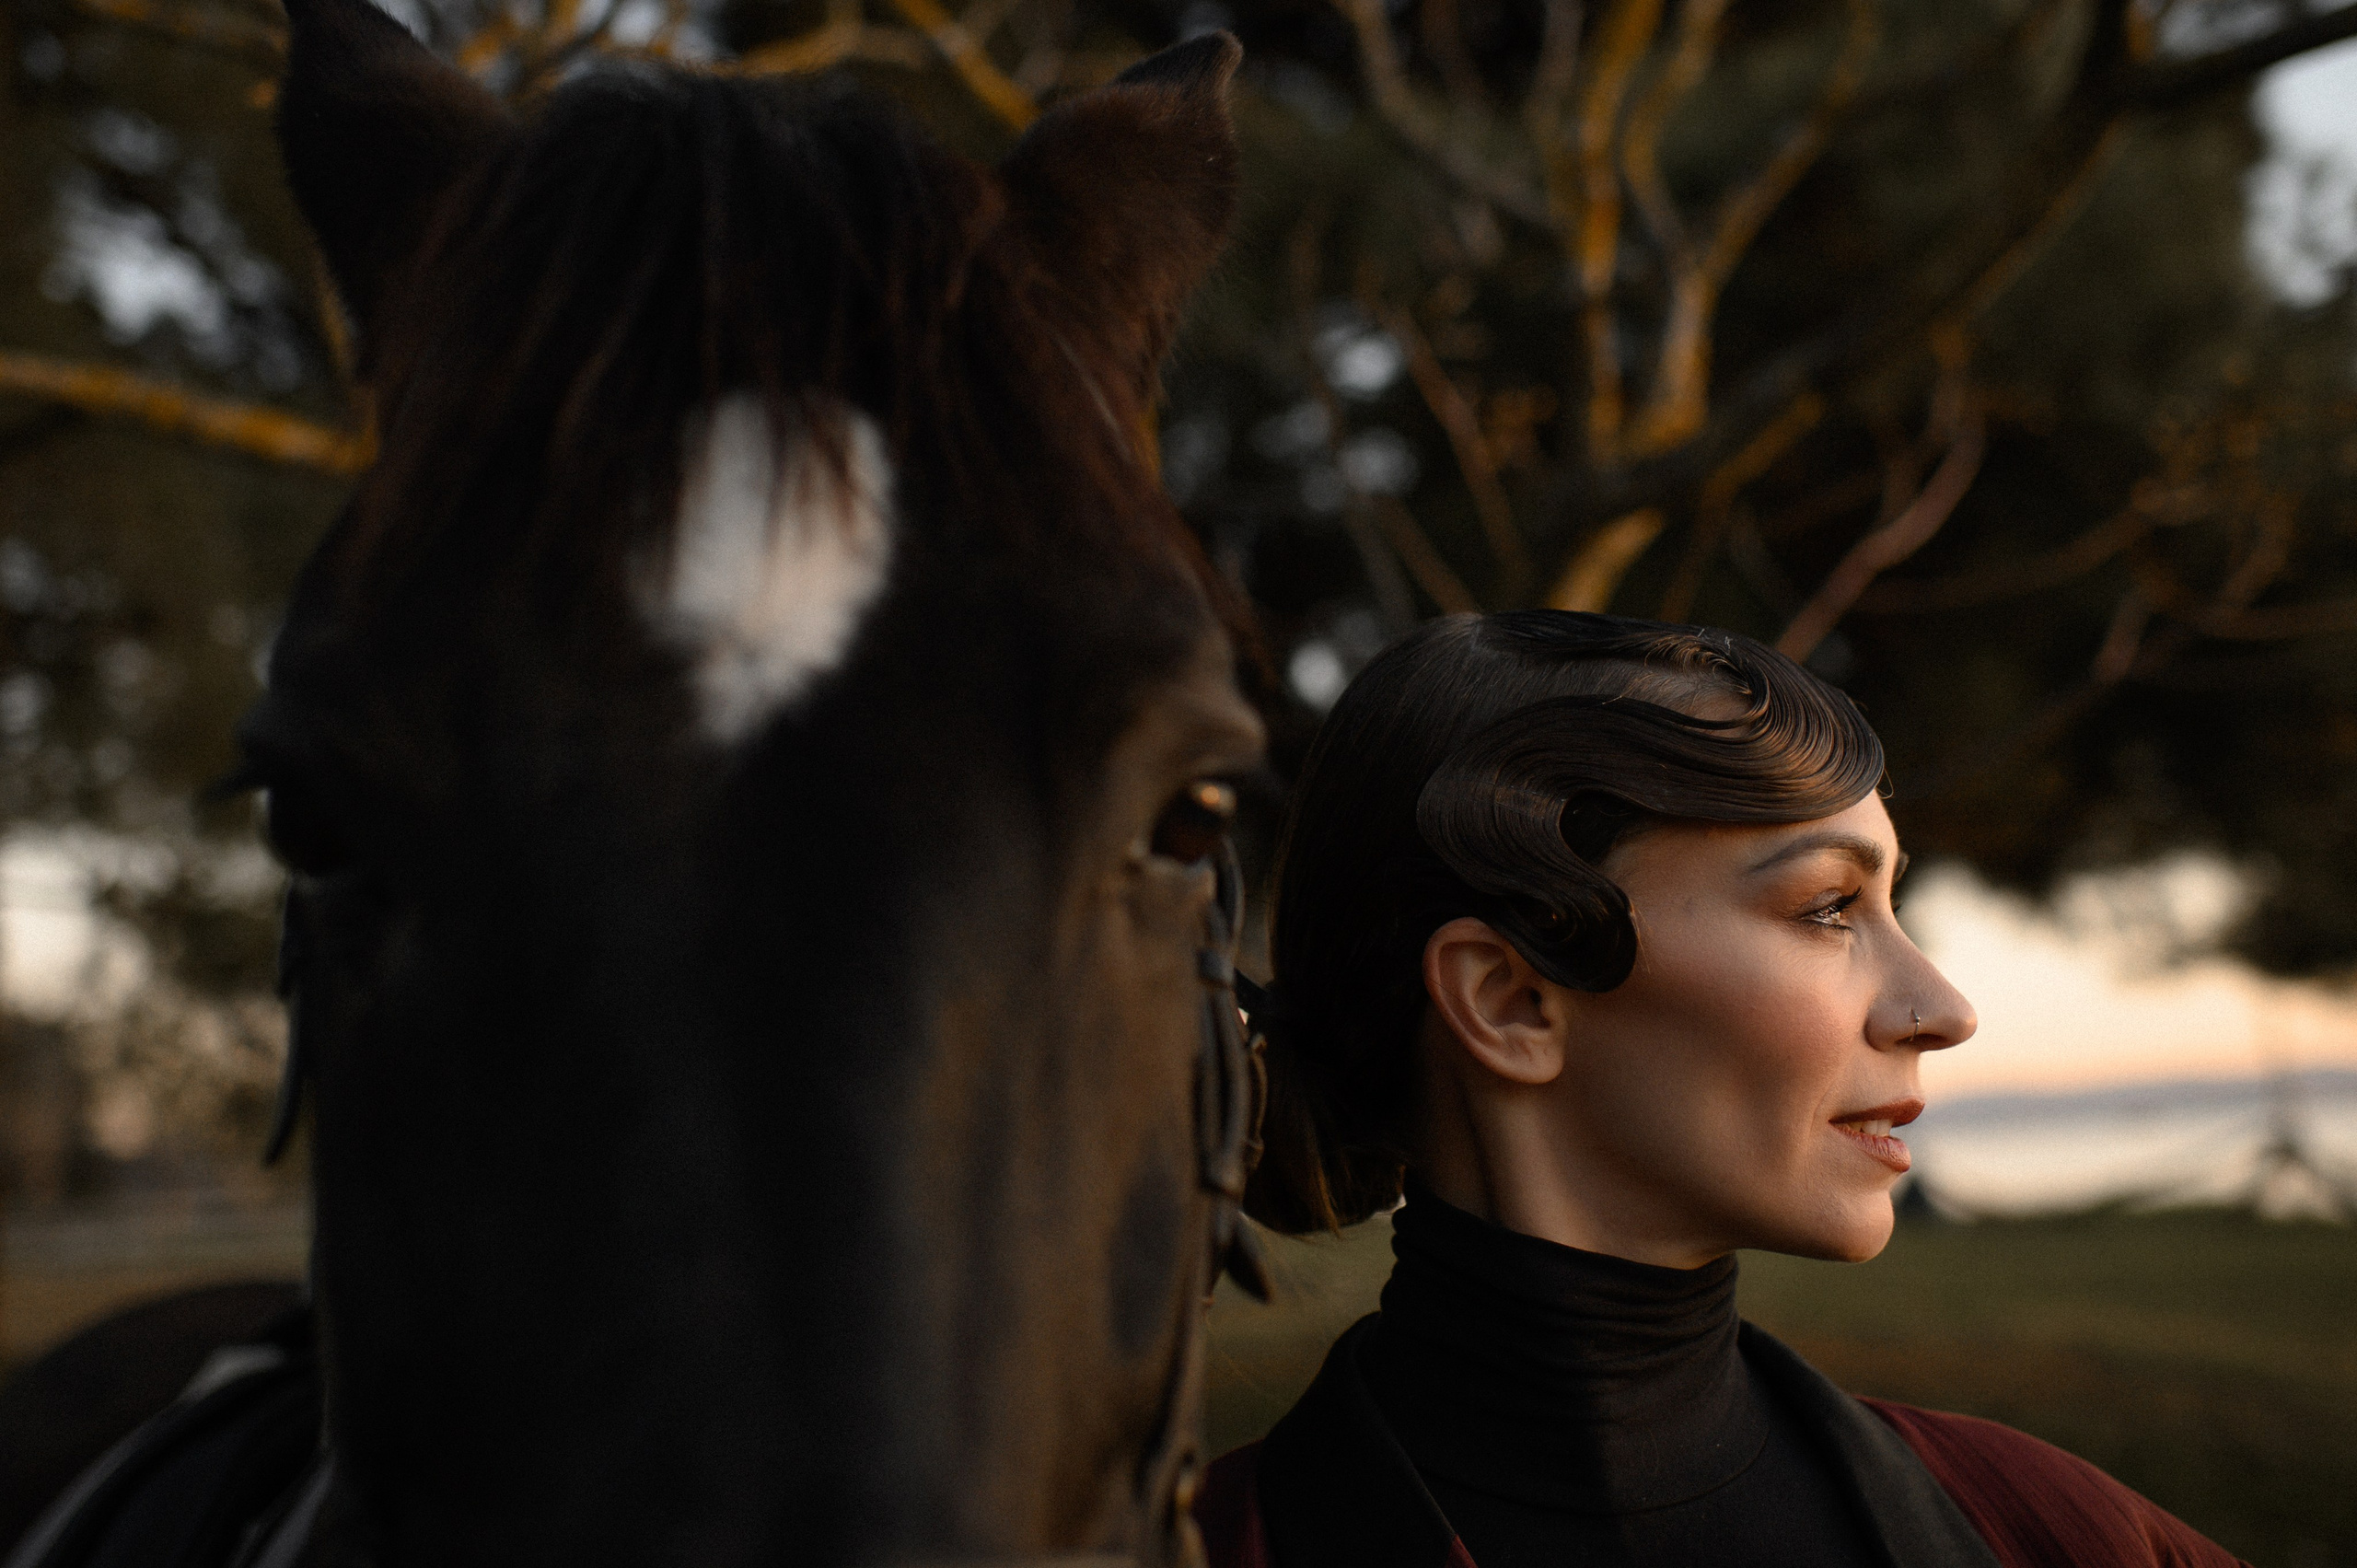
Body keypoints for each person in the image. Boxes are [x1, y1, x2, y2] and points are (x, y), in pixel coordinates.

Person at [1194, 611, 2244, 1568]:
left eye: (1890, 899)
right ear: (1510, 1001)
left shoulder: (2069, 1535)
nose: (1943, 1006)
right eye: (1830, 906)